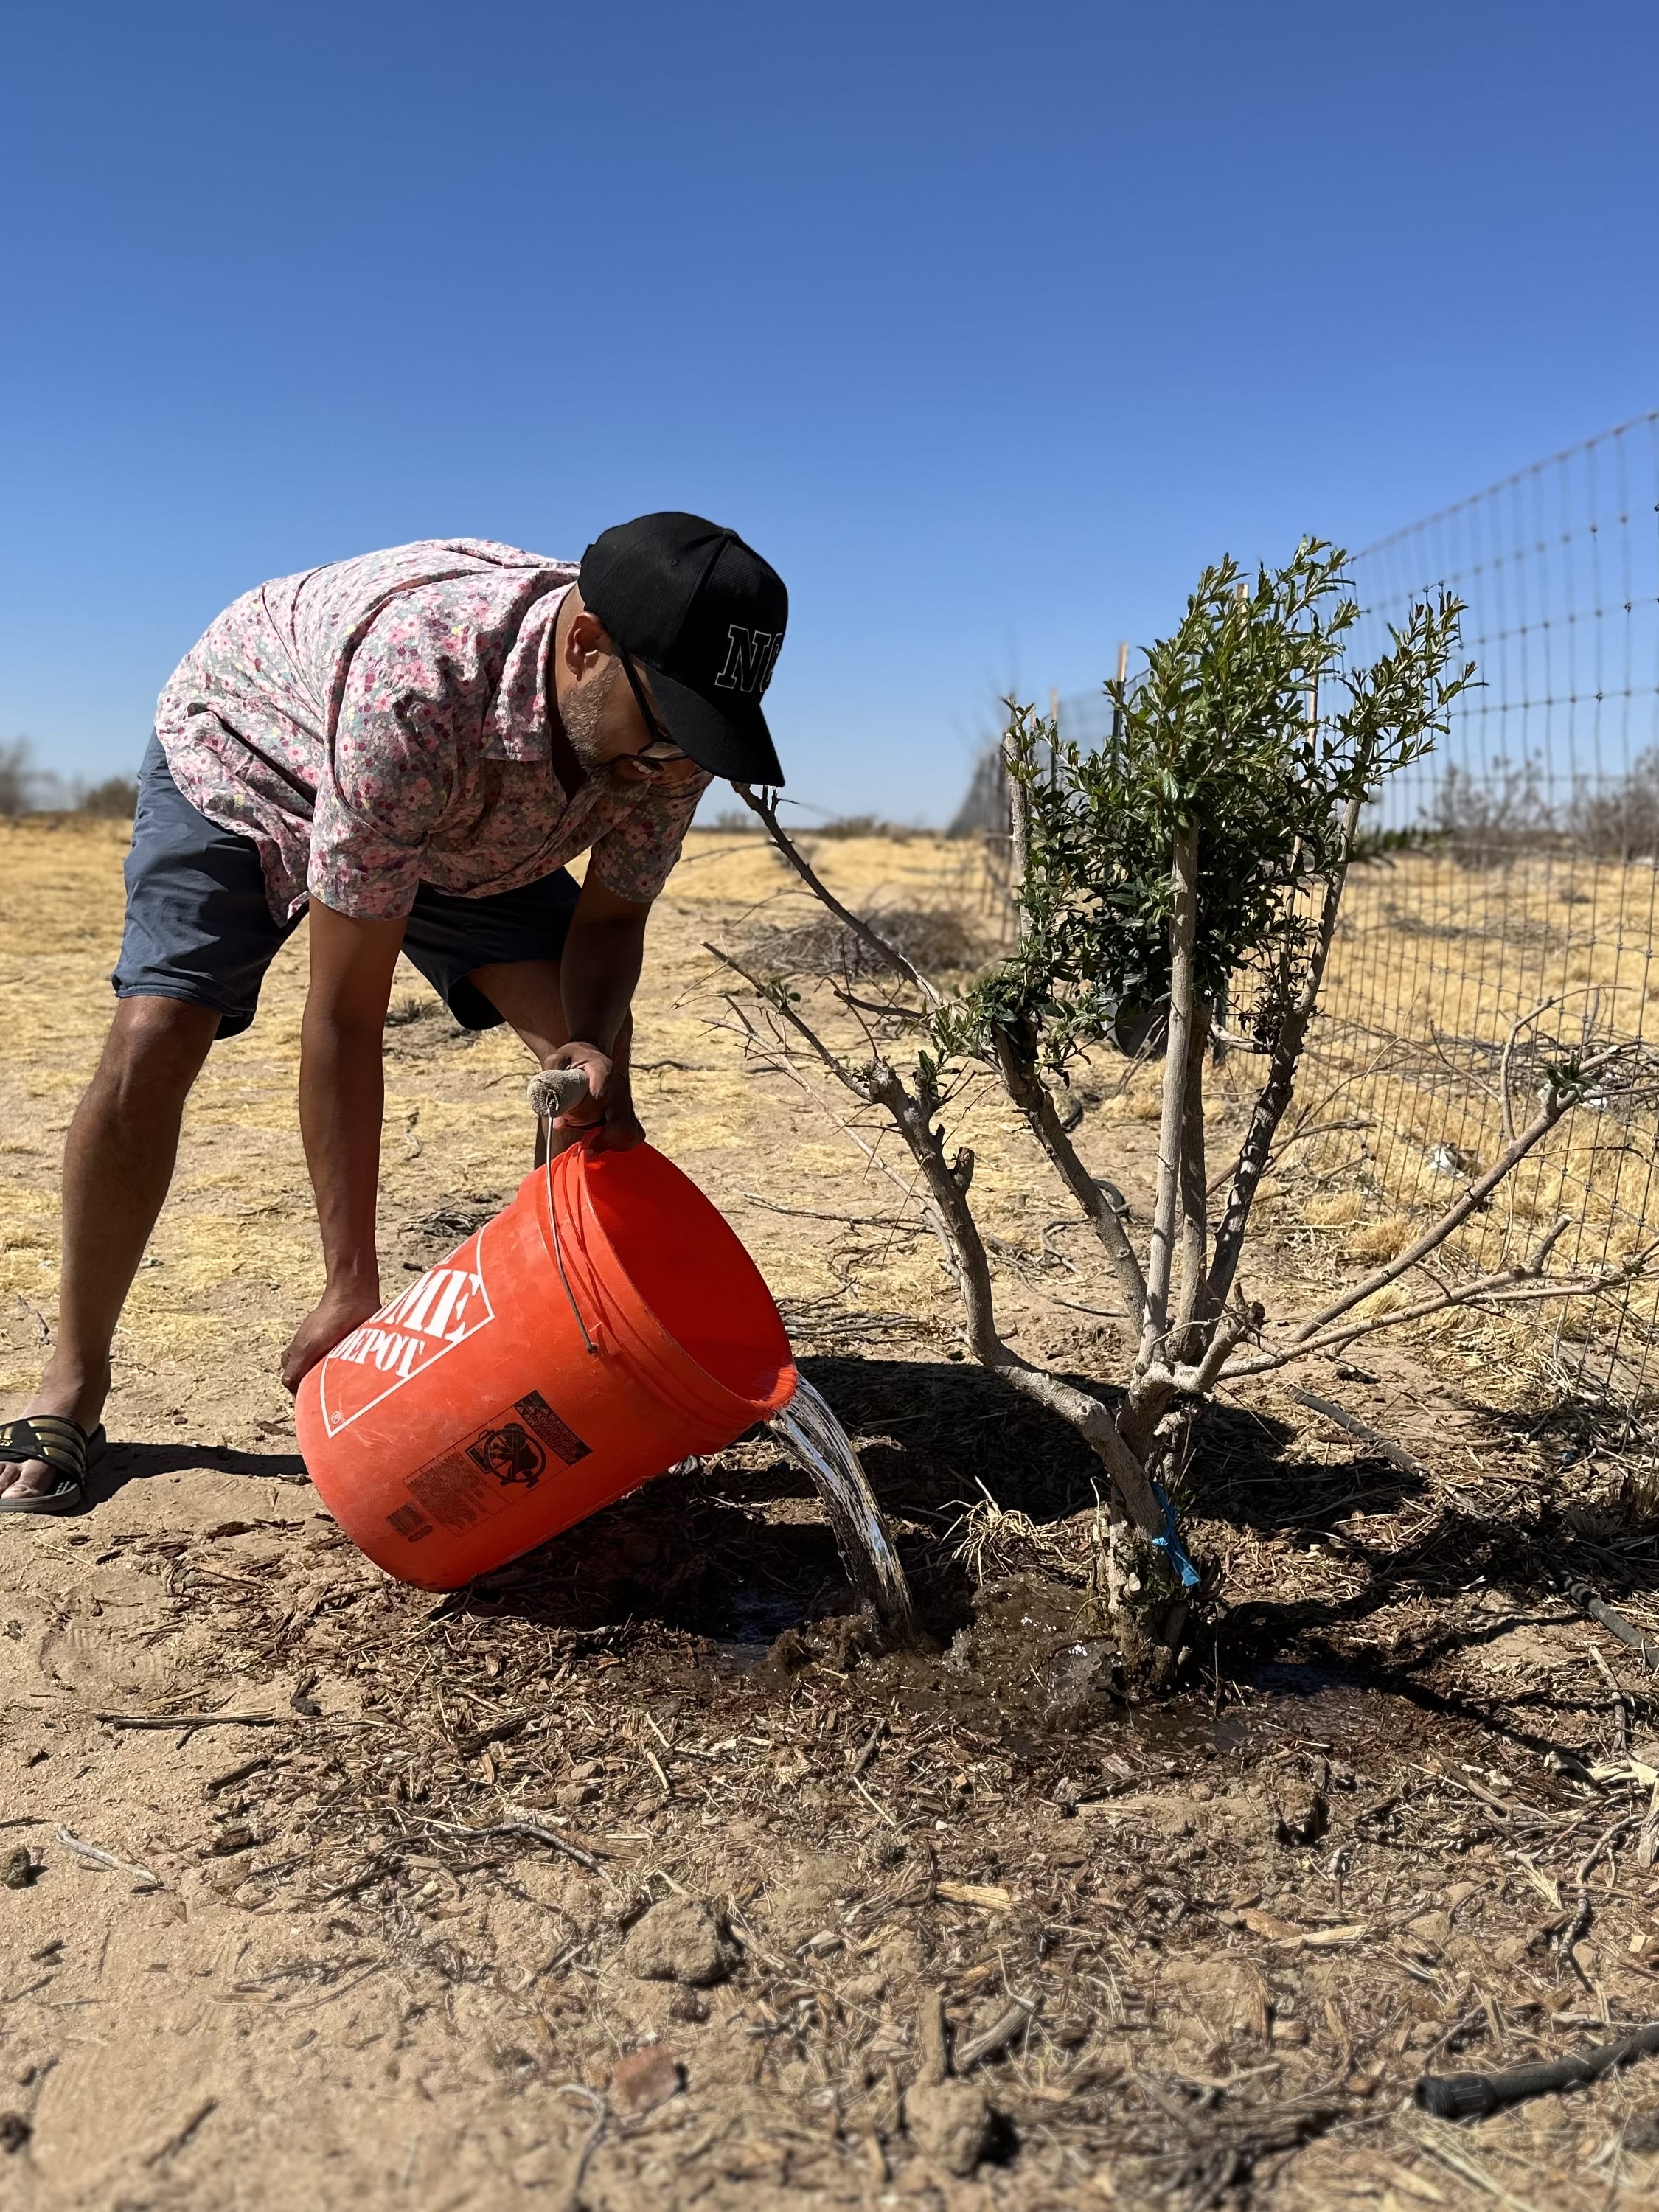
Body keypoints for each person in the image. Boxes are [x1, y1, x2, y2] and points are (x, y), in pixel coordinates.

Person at [0, 514, 787, 1511]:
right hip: (258, 748)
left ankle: (585, 1353)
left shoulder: (669, 735)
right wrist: (349, 1283)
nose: (677, 770)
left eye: (699, 740)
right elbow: (342, 1017)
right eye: (666, 729)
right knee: (158, 1031)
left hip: (467, 820)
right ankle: (74, 1377)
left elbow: (610, 923)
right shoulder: (418, 684)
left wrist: (586, 1051)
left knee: (588, 1087)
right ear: (585, 647)